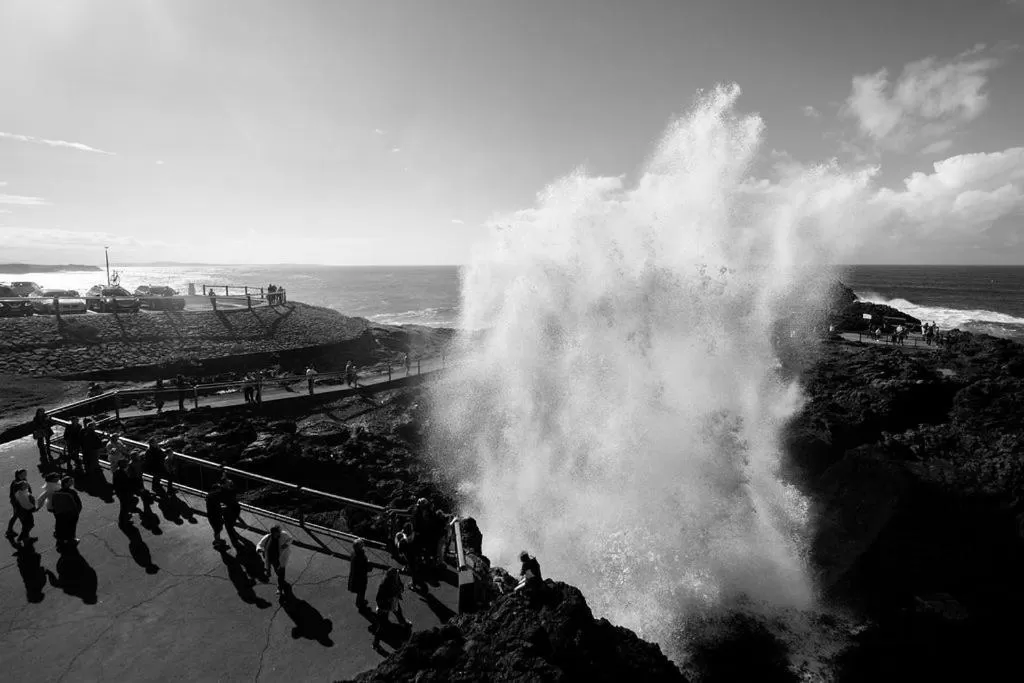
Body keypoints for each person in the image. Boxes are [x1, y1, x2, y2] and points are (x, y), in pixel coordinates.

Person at [372, 567, 410, 646]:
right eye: (395, 575)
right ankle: (375, 643)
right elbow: (379, 599)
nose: (397, 576)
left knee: (399, 614)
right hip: (385, 605)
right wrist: (384, 607)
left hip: (393, 600)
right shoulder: (383, 585)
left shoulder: (395, 576)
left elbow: (399, 584)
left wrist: (400, 588)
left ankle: (404, 626)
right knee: (382, 625)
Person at [257, 524, 293, 598]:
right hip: (271, 559)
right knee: (277, 571)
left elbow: (290, 539)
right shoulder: (268, 537)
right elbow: (260, 544)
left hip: (281, 559)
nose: (277, 535)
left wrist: (286, 544)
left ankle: (280, 588)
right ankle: (281, 581)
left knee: (281, 573)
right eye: (275, 533)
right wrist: (260, 549)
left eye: (278, 533)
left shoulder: (284, 535)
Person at [51, 476, 83, 549]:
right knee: (71, 527)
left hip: (60, 514)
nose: (72, 482)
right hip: (71, 514)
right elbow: (78, 504)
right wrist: (77, 513)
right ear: (66, 483)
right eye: (70, 481)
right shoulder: (72, 492)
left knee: (61, 527)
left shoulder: (57, 493)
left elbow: (53, 504)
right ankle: (71, 540)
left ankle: (60, 540)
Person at [5, 469, 30, 540]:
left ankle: (10, 530)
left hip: (21, 501)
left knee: (16, 515)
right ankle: (24, 536)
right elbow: (15, 495)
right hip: (17, 502)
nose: (25, 475)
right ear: (19, 475)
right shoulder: (15, 483)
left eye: (25, 473)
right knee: (21, 516)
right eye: (24, 474)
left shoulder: (24, 479)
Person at [112, 459, 137, 526]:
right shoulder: (121, 473)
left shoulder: (117, 471)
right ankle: (123, 521)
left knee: (124, 506)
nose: (127, 464)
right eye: (125, 463)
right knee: (124, 507)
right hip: (124, 493)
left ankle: (124, 518)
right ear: (122, 465)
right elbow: (125, 483)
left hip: (121, 492)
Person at [219, 475, 242, 544]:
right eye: (227, 481)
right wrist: (232, 484)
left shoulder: (221, 489)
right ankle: (233, 538)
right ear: (224, 484)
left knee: (229, 524)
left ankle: (232, 534)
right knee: (229, 524)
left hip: (229, 508)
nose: (229, 481)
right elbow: (234, 491)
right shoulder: (229, 490)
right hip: (231, 508)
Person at [12, 481, 37, 545]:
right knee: (29, 525)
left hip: (22, 512)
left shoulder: (20, 492)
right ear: (22, 487)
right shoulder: (22, 495)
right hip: (26, 512)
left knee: (26, 525)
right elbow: (27, 505)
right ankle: (22, 538)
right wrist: (33, 508)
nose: (27, 484)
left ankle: (25, 538)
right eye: (25, 484)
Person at [348, 538, 370, 609]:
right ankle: (360, 604)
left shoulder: (353, 553)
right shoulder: (361, 556)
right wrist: (368, 563)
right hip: (360, 577)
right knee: (361, 591)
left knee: (359, 591)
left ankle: (360, 602)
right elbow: (366, 568)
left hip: (354, 576)